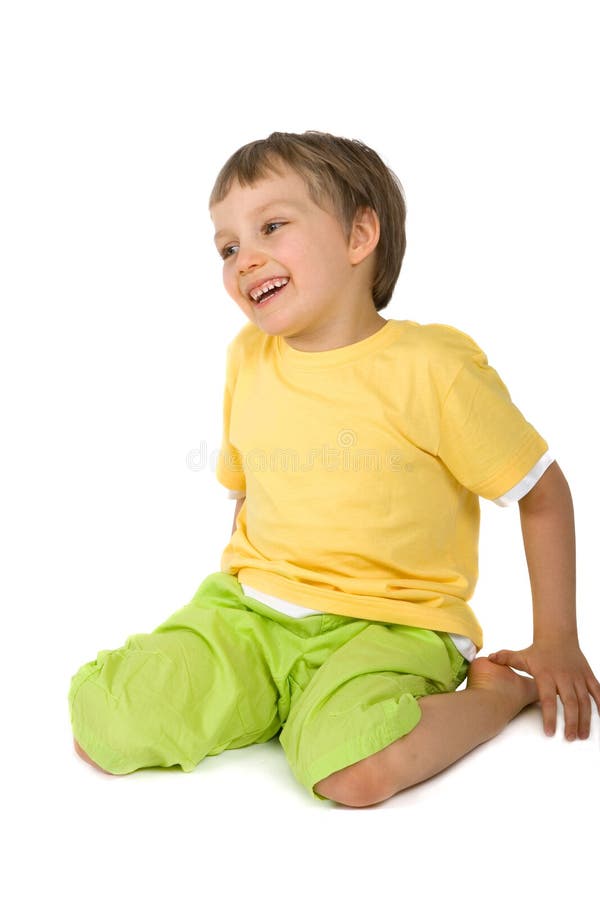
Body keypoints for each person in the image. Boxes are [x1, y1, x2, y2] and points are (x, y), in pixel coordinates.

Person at [69, 131, 600, 807]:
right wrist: (229, 632)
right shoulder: (247, 357)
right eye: (227, 246)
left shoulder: (432, 370)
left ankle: (496, 699)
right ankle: (267, 695)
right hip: (252, 613)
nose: (243, 259)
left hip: (391, 626)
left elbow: (542, 492)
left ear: (359, 236)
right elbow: (245, 492)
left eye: (272, 226)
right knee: (104, 723)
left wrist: (556, 638)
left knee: (350, 772)